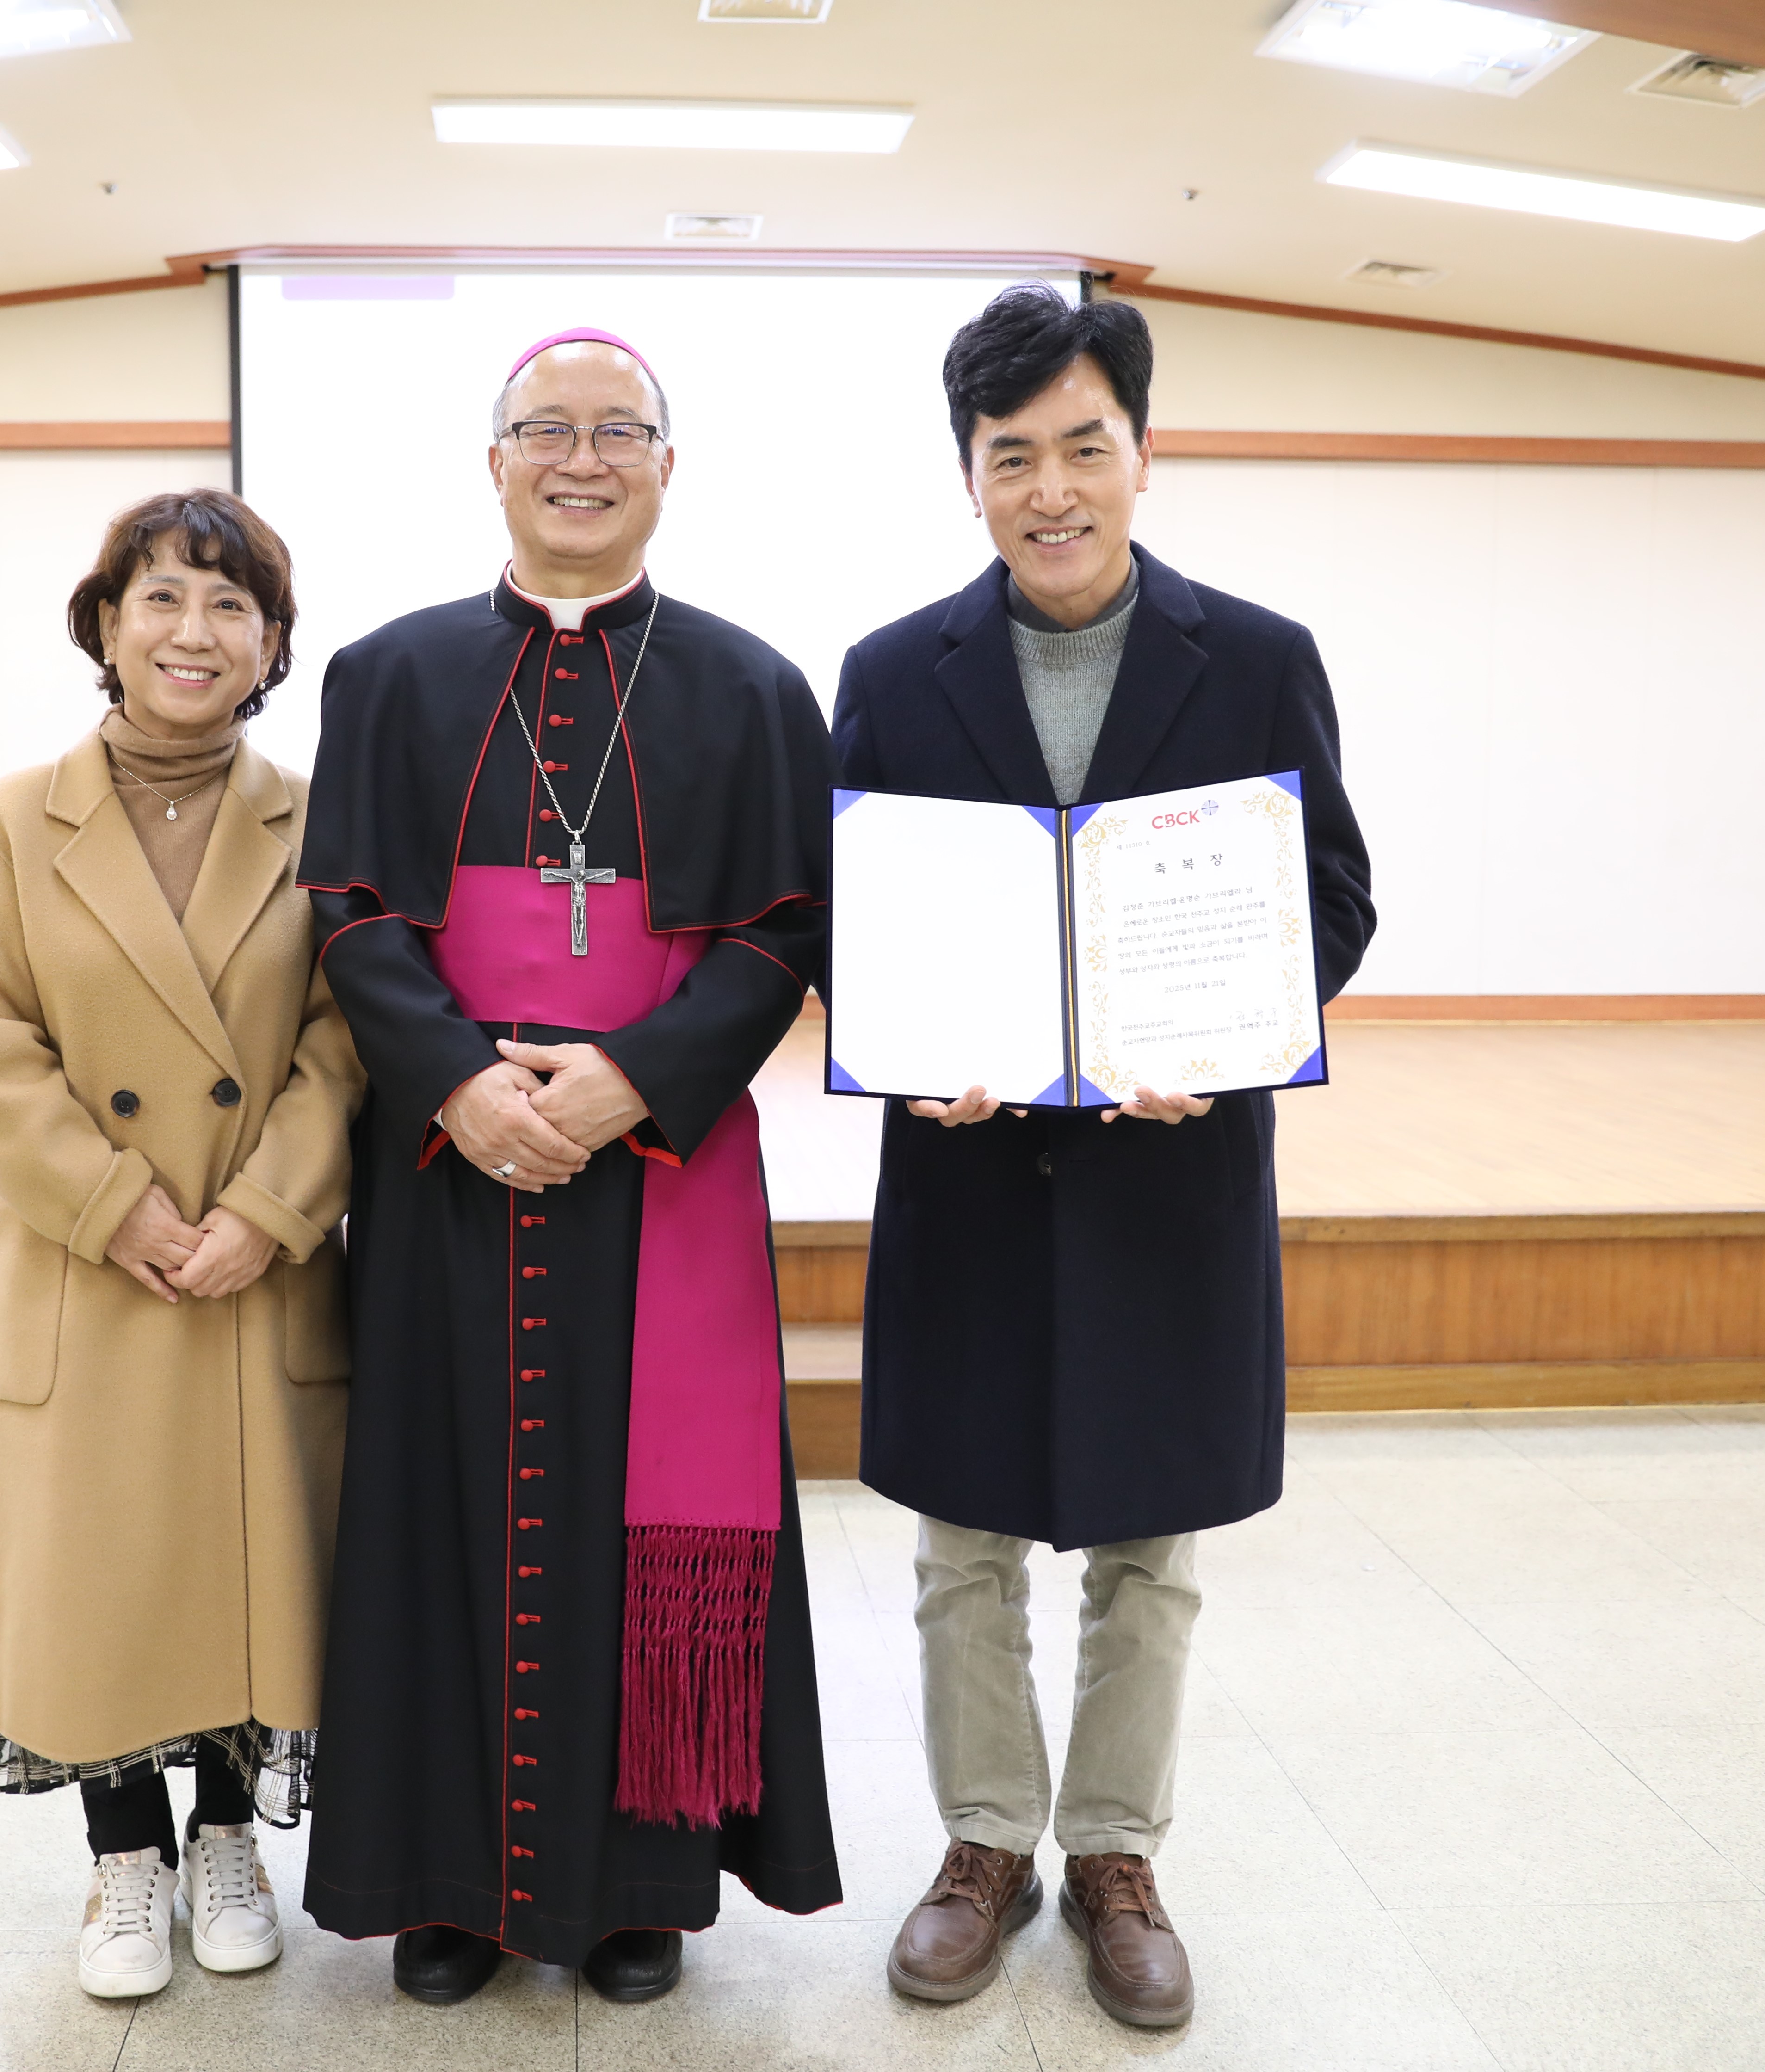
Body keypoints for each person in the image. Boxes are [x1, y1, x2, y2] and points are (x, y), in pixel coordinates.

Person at [831, 288, 1374, 2027]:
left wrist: (1216, 1053)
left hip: (1170, 1181)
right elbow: (856, 919)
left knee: (1154, 1544)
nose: (1051, 487)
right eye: (1013, 457)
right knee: (961, 1536)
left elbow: (1334, 899)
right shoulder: (891, 669)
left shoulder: (1263, 655)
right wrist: (911, 1055)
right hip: (976, 1180)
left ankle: (1117, 1854)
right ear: (969, 476)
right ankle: (986, 1844)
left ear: (1143, 452)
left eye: (1085, 446)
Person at [296, 328, 842, 2005]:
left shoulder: (753, 689)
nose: (583, 458)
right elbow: (353, 913)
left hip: (654, 1172)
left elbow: (782, 928)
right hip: (452, 1172)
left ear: (669, 467)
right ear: (495, 462)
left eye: (621, 432)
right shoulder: (388, 678)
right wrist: (462, 1086)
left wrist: (631, 1081)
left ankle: (638, 1889)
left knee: (643, 1515)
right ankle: (443, 1881)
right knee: (434, 1504)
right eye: (549, 430)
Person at [0, 488, 364, 2000]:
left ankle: (231, 1836)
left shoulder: (322, 815)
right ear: (105, 626)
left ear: (270, 648)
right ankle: (125, 1860)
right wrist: (120, 1209)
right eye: (163, 600)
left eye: (231, 607)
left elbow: (345, 1039)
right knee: (105, 1571)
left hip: (256, 1263)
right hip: (93, 1265)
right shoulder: (10, 821)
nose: (196, 632)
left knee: (251, 1562)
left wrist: (264, 1213)